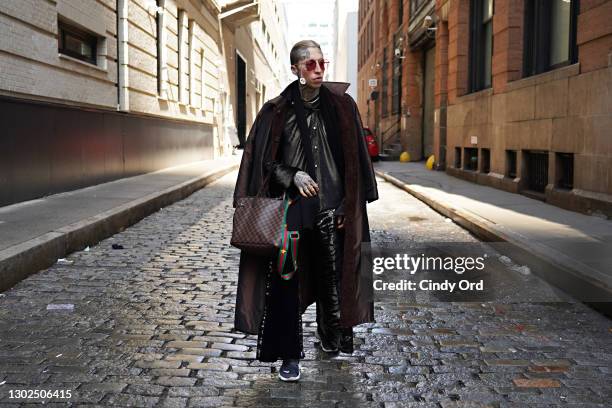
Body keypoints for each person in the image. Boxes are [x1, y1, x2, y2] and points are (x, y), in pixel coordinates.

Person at [232, 39, 378, 382]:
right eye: (310, 64)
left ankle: (332, 337)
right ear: (296, 69)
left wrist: (347, 203)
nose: (318, 69)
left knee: (334, 278)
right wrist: (291, 174)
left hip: (332, 210)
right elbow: (262, 163)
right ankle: (289, 356)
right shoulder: (276, 110)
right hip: (290, 213)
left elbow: (354, 159)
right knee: (286, 283)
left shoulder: (342, 106)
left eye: (322, 63)